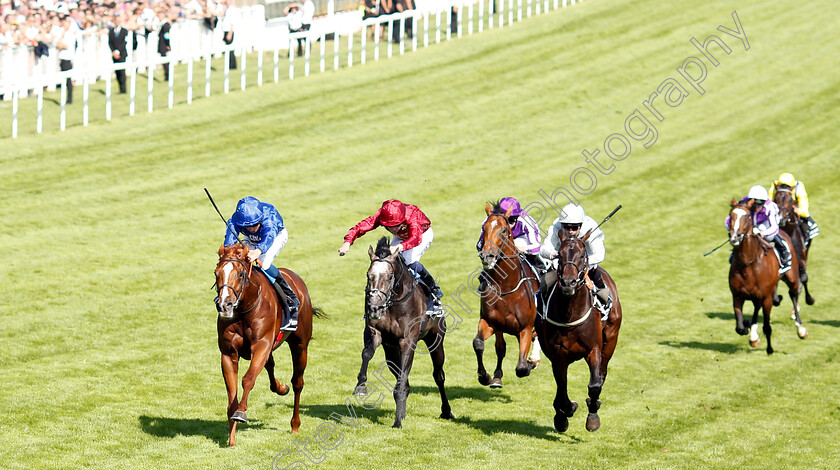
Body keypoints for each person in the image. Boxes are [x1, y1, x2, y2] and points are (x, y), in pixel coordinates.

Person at [339, 199, 444, 312]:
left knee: (409, 260)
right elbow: (362, 226)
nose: (393, 229)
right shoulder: (381, 216)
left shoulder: (412, 215)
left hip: (422, 235)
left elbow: (416, 239)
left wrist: (400, 247)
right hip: (401, 237)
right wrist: (348, 241)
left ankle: (433, 289)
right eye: (388, 226)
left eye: (396, 225)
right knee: (385, 263)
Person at [224, 196, 299, 331]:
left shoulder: (268, 218)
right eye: (247, 226)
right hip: (250, 240)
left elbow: (269, 236)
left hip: (276, 236)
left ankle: (291, 298)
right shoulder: (235, 220)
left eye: (255, 224)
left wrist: (258, 251)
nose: (252, 228)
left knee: (264, 263)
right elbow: (229, 242)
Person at [539, 203, 610, 311]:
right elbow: (544, 249)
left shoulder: (590, 229)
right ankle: (539, 309)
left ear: (581, 225)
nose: (570, 231)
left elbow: (599, 255)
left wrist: (580, 261)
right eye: (567, 227)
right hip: (563, 259)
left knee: (594, 272)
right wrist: (557, 255)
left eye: (574, 227)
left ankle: (605, 300)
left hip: (585, 261)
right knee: (544, 283)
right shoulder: (556, 228)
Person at [725, 185, 792, 275]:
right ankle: (735, 254)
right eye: (754, 205)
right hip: (750, 223)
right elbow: (729, 220)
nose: (756, 208)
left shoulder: (771, 206)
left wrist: (763, 233)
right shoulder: (743, 202)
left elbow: (774, 228)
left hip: (766, 224)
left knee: (767, 235)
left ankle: (784, 252)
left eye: (759, 205)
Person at [476, 197, 546, 272]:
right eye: (506, 221)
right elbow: (479, 245)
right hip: (501, 242)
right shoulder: (490, 222)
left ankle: (542, 269)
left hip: (521, 240)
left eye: (511, 221)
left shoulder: (526, 220)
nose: (508, 225)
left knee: (518, 242)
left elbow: (536, 247)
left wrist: (522, 249)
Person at [768, 172, 819, 245]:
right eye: (782, 186)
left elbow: (804, 210)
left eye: (787, 186)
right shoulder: (775, 186)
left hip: (794, 206)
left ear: (793, 187)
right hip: (779, 208)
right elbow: (769, 202)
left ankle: (805, 242)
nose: (784, 187)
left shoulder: (799, 188)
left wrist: (799, 211)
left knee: (811, 226)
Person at [55, 13, 78, 104]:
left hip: (67, 59)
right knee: (64, 79)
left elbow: (61, 45)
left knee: (68, 80)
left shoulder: (70, 34)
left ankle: (69, 99)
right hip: (62, 58)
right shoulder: (62, 33)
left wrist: (60, 41)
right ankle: (67, 97)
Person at [108, 14, 129, 93]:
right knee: (117, 72)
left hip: (121, 54)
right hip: (114, 55)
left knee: (122, 72)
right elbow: (110, 42)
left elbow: (124, 42)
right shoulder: (111, 31)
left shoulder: (124, 31)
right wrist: (113, 51)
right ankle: (120, 88)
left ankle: (123, 89)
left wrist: (118, 51)